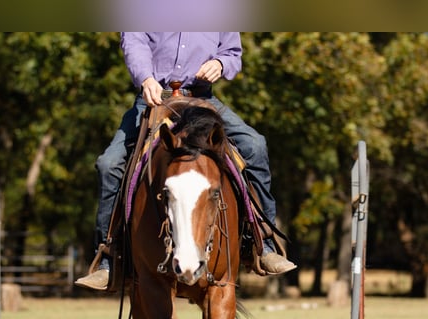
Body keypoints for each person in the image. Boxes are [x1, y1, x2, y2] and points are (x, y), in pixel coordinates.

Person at [75, 32, 296, 290]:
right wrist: (146, 78)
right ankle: (109, 258)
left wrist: (221, 64)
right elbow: (133, 42)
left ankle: (263, 244)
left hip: (203, 100)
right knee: (109, 164)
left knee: (255, 146)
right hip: (154, 100)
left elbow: (233, 53)